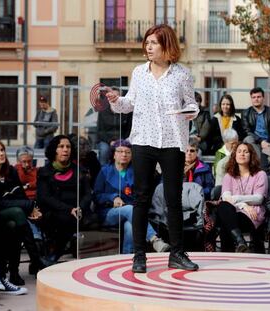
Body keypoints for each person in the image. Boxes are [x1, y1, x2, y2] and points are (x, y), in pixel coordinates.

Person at [105, 24, 199, 273]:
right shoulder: (139, 73)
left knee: (173, 200)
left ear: (167, 46)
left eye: (154, 43)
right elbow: (129, 104)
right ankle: (139, 255)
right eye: (147, 43)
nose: (148, 47)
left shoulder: (182, 74)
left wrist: (189, 111)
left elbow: (191, 104)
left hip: (172, 142)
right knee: (141, 199)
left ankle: (177, 254)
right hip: (143, 140)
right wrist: (116, 100)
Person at [0, 140, 44, 295]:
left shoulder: (10, 172)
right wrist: (29, 207)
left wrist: (31, 209)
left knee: (14, 225)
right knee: (18, 214)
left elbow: (19, 193)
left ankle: (11, 273)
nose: (1, 153)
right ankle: (34, 261)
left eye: (2, 150)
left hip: (10, 217)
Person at [93, 139, 170, 254]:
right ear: (114, 154)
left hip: (132, 212)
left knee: (130, 225)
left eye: (128, 152)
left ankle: (127, 256)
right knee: (131, 211)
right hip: (108, 212)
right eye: (120, 151)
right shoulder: (105, 171)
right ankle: (154, 240)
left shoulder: (136, 172)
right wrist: (112, 198)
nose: (124, 154)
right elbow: (96, 196)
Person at [36, 135, 92, 261]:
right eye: (61, 146)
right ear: (54, 150)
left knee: (88, 219)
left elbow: (88, 194)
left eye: (68, 147)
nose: (65, 149)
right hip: (54, 211)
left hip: (78, 211)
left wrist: (80, 207)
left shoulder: (80, 171)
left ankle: (55, 253)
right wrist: (69, 209)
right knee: (65, 219)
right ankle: (54, 253)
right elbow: (45, 197)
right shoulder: (45, 172)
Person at [218, 143, 268, 253]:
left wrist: (236, 199)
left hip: (252, 215)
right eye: (239, 151)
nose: (242, 154)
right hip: (235, 213)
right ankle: (240, 242)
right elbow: (226, 198)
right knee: (223, 206)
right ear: (234, 155)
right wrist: (244, 205)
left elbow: (258, 199)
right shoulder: (228, 176)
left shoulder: (260, 174)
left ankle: (229, 253)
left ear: (251, 155)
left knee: (225, 223)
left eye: (246, 151)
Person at [96, 88, 133, 165]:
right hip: (106, 140)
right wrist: (110, 141)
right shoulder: (102, 112)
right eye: (112, 96)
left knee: (128, 151)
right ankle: (103, 172)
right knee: (104, 150)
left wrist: (122, 141)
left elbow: (129, 129)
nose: (114, 99)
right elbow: (100, 131)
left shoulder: (126, 112)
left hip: (123, 139)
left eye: (117, 97)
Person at [241, 87, 270, 157]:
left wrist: (269, 142)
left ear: (263, 98)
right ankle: (260, 162)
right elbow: (246, 131)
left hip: (269, 141)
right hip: (254, 141)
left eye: (259, 97)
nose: (256, 99)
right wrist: (261, 141)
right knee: (249, 139)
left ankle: (266, 163)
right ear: (251, 99)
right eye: (253, 97)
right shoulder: (246, 113)